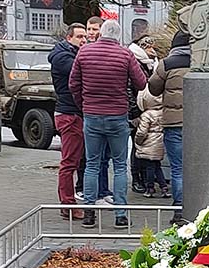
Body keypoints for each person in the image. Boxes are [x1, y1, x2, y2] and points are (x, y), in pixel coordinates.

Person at [69, 19, 148, 228]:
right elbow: (141, 83)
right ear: (118, 36)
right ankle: (120, 215)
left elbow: (73, 84)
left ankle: (89, 214)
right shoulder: (125, 54)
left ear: (100, 33)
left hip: (92, 116)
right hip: (117, 116)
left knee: (92, 165)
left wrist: (84, 104)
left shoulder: (84, 53)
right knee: (120, 166)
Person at [147, 30, 191, 223]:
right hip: (198, 123)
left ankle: (180, 211)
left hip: (174, 124)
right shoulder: (202, 63)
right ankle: (199, 207)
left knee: (178, 168)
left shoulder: (167, 64)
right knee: (199, 167)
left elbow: (153, 88)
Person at [49, 23, 88, 219]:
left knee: (75, 161)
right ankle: (68, 205)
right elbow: (80, 73)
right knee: (69, 162)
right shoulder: (64, 58)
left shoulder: (68, 54)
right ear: (69, 37)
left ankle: (69, 203)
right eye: (80, 37)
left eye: (85, 37)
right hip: (70, 114)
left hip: (72, 113)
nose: (83, 40)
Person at [76, 16, 111, 201]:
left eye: (95, 29)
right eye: (89, 29)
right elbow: (74, 83)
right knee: (91, 158)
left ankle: (103, 190)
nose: (91, 33)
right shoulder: (83, 52)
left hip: (97, 110)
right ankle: (89, 193)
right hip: (90, 111)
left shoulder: (100, 51)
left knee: (104, 157)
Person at [127, 35, 157, 194]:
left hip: (146, 110)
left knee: (144, 143)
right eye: (150, 47)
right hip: (136, 111)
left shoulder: (149, 63)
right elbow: (130, 90)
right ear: (143, 48)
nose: (153, 51)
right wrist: (134, 113)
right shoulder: (136, 62)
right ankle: (136, 178)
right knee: (137, 144)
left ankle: (145, 178)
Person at [134, 88, 170, 198]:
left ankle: (150, 188)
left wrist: (137, 141)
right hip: (159, 142)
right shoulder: (163, 112)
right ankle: (163, 186)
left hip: (148, 144)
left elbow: (142, 132)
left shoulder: (147, 115)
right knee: (157, 166)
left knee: (149, 167)